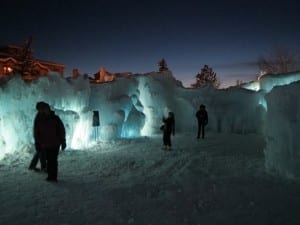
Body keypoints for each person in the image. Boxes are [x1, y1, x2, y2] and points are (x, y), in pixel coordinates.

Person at [34, 102, 66, 182]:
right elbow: (36, 131)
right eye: (40, 109)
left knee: (53, 160)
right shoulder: (39, 119)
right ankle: (50, 175)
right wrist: (37, 142)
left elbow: (61, 130)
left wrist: (63, 141)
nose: (42, 111)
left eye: (43, 109)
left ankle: (53, 176)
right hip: (45, 144)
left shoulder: (55, 118)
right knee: (48, 160)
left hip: (55, 143)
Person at [29, 102, 48, 172]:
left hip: (41, 137)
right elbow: (37, 128)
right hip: (40, 137)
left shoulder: (41, 115)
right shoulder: (40, 116)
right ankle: (43, 167)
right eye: (41, 108)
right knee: (42, 152)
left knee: (39, 151)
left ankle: (32, 166)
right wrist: (37, 139)